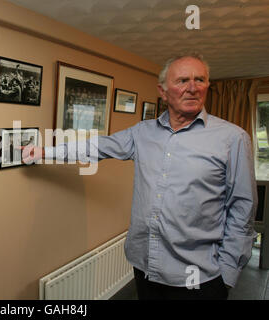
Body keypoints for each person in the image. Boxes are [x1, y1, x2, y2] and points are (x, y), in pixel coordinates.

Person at [22, 52, 257, 300]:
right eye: (182, 81)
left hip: (201, 277)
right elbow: (98, 147)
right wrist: (44, 152)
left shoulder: (233, 138)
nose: (192, 88)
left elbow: (243, 207)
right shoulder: (142, 133)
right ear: (163, 91)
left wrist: (227, 275)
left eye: (200, 80)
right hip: (146, 268)